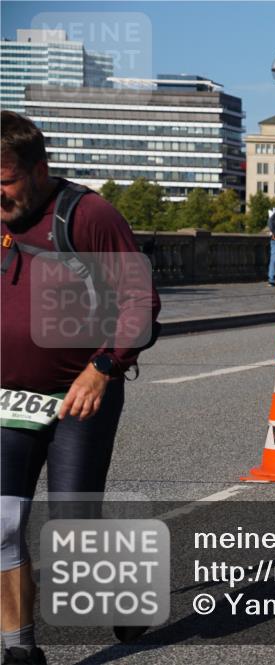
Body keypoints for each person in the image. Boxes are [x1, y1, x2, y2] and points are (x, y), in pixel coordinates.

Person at [1, 111, 161, 665]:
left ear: (38, 169)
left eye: (4, 181)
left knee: (71, 529)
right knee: (3, 524)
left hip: (80, 392)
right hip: (7, 399)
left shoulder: (88, 215)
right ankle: (19, 650)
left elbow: (141, 303)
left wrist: (104, 368)